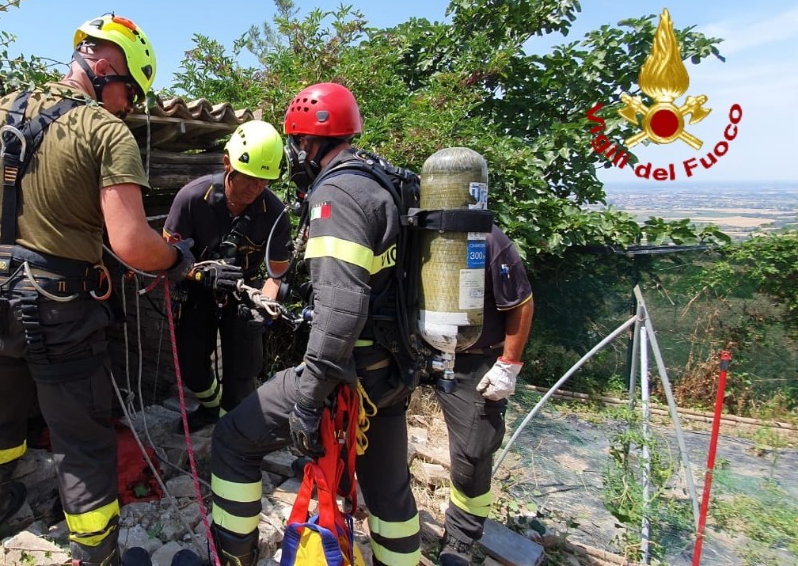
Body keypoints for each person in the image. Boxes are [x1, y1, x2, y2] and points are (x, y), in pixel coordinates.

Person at [0, 13, 195, 566]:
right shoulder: (107, 133)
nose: (128, 104)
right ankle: (95, 551)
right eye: (129, 90)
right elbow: (131, 242)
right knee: (81, 434)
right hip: (55, 302)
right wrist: (177, 260)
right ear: (104, 67)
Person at [207, 83, 421, 566]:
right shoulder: (382, 181)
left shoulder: (336, 195)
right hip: (390, 371)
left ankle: (232, 555)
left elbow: (342, 309)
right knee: (389, 498)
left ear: (310, 143)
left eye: (296, 143)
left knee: (233, 440)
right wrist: (286, 294)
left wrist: (307, 399)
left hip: (347, 372)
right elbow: (370, 282)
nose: (294, 155)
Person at [162, 120, 291, 432]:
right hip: (196, 287)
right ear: (227, 163)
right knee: (191, 364)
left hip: (244, 290)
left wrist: (264, 304)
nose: (254, 188)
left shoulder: (274, 212)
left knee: (243, 370)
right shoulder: (193, 199)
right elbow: (164, 258)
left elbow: (277, 273)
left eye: (263, 181)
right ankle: (210, 408)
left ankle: (234, 427)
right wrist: (198, 274)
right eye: (248, 178)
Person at [436, 223, 534, 565]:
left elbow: (521, 304)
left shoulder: (488, 240)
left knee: (473, 453)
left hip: (473, 361)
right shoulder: (416, 235)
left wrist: (508, 364)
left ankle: (461, 538)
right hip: (419, 352)